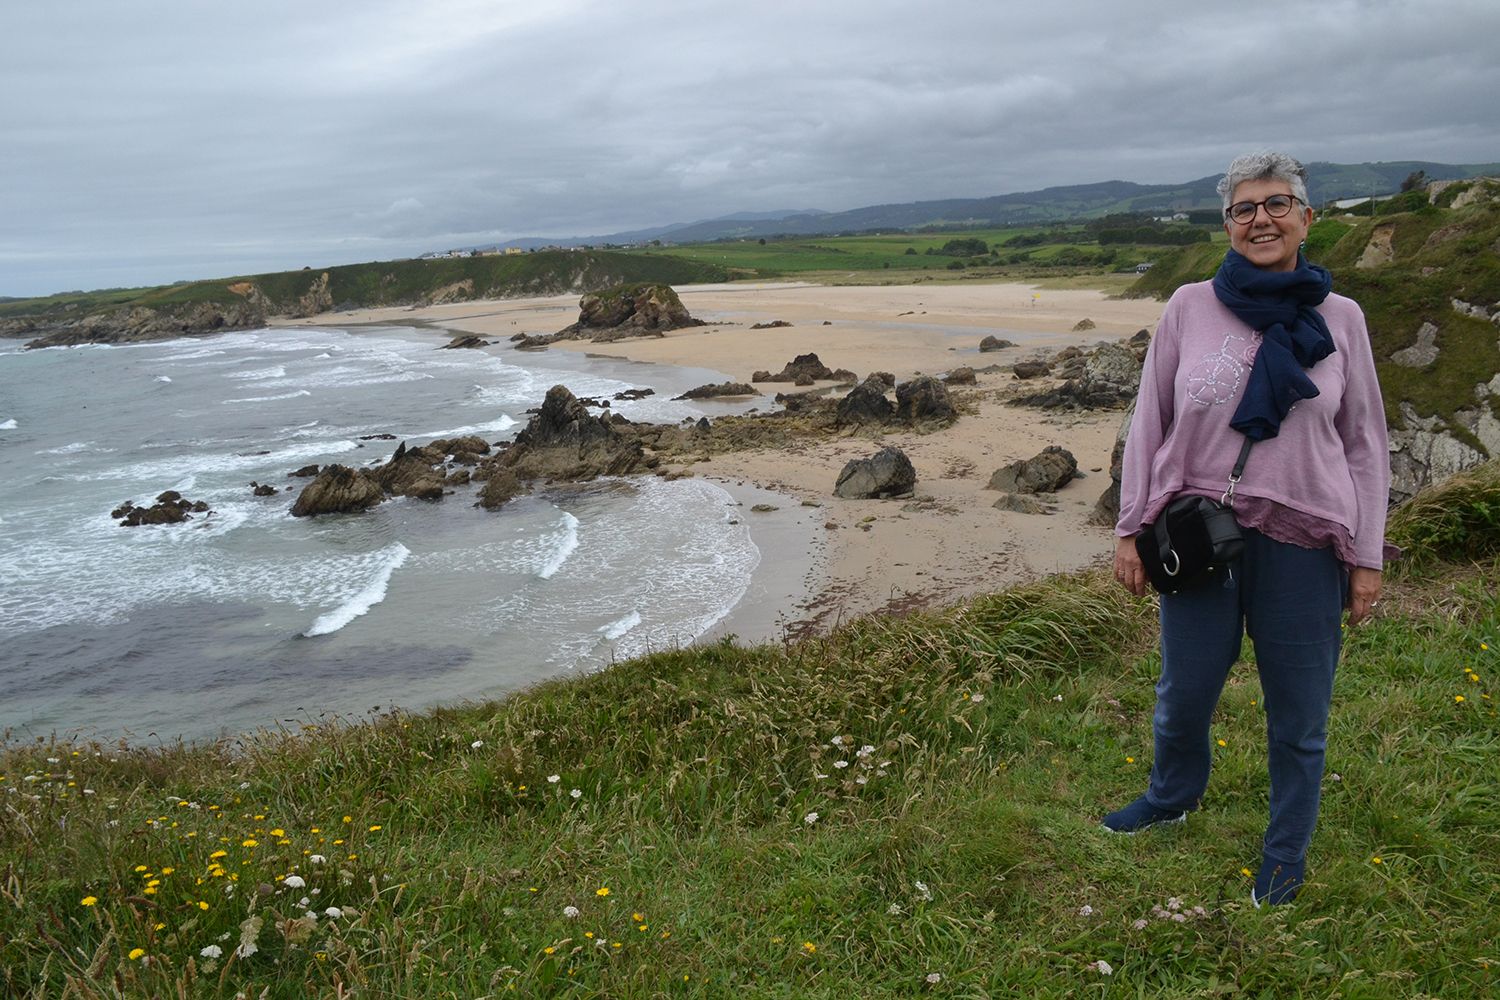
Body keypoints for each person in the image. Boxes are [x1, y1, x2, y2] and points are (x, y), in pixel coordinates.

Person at [1105, 151, 1391, 906]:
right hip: (1197, 530)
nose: (1260, 218)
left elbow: (1365, 444)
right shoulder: (1188, 307)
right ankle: (1171, 797)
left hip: (1306, 539)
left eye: (1277, 203)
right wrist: (1128, 528)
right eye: (1244, 208)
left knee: (1299, 711)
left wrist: (1366, 559)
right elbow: (1150, 424)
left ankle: (1285, 850)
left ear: (1307, 217)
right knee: (1185, 690)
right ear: (1227, 223)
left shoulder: (1343, 319)